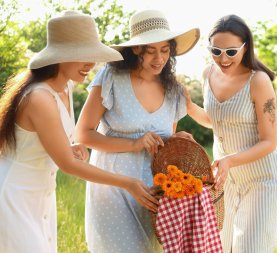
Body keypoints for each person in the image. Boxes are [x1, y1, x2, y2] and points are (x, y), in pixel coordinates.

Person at [0, 10, 162, 253]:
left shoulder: (64, 88)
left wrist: (70, 147)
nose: (91, 64)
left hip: (40, 195)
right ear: (60, 56)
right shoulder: (39, 97)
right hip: (14, 194)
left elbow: (48, 142)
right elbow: (67, 165)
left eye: (93, 56)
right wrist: (128, 183)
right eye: (82, 55)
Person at [75, 9, 200, 253]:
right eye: (150, 50)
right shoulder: (111, 77)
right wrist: (134, 144)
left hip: (155, 192)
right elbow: (84, 134)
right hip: (114, 187)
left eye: (165, 50)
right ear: (135, 49)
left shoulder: (174, 90)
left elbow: (162, 144)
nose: (159, 58)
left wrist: (175, 140)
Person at [186, 14, 277, 253]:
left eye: (231, 52)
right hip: (225, 179)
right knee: (222, 246)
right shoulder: (207, 75)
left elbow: (269, 141)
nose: (223, 58)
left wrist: (230, 160)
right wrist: (188, 105)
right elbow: (216, 121)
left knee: (250, 248)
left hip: (262, 178)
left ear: (245, 47)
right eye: (215, 50)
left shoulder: (258, 81)